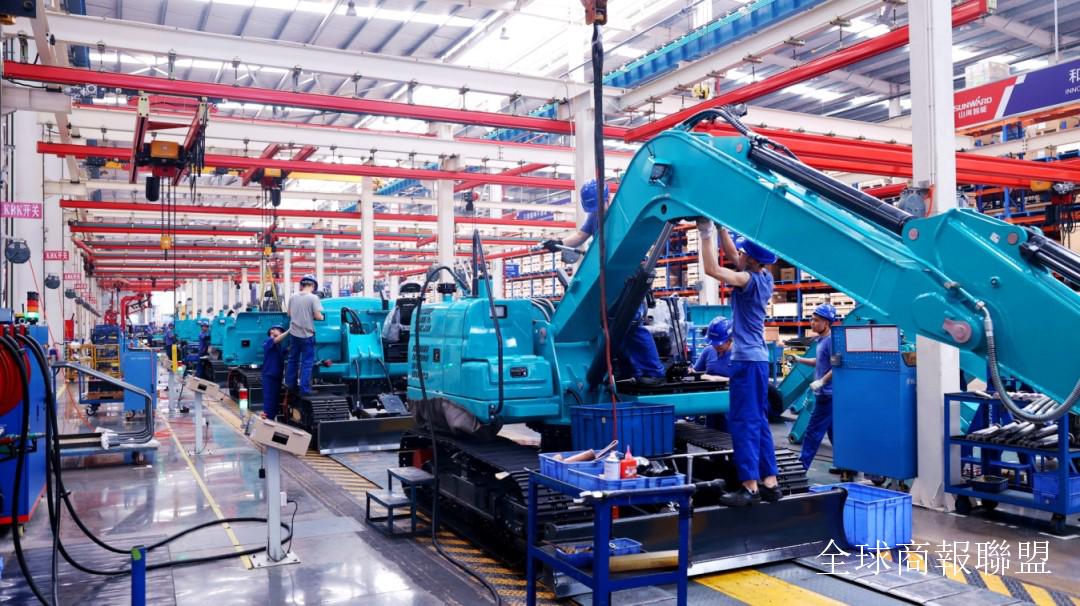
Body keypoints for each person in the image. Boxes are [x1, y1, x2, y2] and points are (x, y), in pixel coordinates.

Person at [542, 180, 665, 385]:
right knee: (612, 326)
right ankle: (629, 372)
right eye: (592, 209)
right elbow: (581, 235)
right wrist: (559, 244)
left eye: (598, 207)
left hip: (628, 276)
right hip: (607, 279)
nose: (596, 212)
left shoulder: (621, 215)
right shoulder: (594, 217)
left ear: (607, 198)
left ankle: (654, 372)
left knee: (631, 323)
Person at [697, 221, 782, 506]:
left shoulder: (747, 280)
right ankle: (770, 482)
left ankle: (749, 487)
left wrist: (705, 232)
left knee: (743, 421)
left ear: (754, 260)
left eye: (745, 252)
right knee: (759, 420)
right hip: (759, 361)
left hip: (745, 362)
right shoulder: (765, 277)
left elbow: (713, 270)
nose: (739, 254)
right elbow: (735, 256)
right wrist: (721, 227)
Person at [792, 304, 838, 472]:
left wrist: (822, 381)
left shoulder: (831, 341)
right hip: (825, 393)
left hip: (828, 394)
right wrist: (799, 359)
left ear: (826, 323)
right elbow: (819, 362)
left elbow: (837, 366)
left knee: (812, 431)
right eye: (812, 319)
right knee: (834, 432)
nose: (812, 323)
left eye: (816, 320)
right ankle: (846, 465)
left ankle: (801, 467)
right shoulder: (821, 340)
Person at [285, 273, 324, 395]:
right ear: (313, 286)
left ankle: (290, 384)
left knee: (293, 360)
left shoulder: (293, 297)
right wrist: (321, 317)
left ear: (302, 285)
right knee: (307, 362)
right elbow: (318, 316)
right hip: (307, 335)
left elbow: (289, 314)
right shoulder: (313, 298)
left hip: (294, 334)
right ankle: (304, 389)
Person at [261, 325, 288, 419]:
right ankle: (267, 419)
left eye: (281, 331)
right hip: (269, 376)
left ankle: (271, 419)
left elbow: (286, 350)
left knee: (275, 400)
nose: (281, 332)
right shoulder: (268, 341)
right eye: (279, 330)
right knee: (269, 400)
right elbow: (276, 340)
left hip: (277, 376)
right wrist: (289, 330)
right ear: (272, 331)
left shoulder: (279, 346)